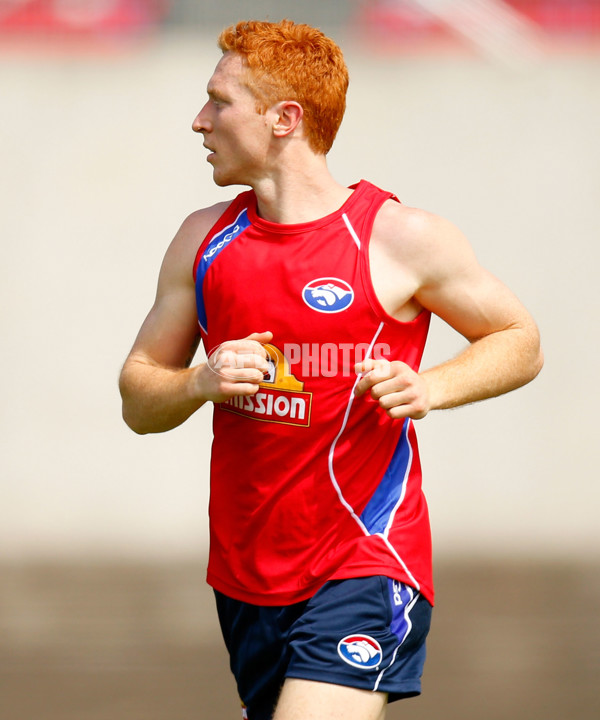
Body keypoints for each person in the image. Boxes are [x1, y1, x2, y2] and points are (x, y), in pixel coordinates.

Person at [119, 19, 543, 720]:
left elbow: (520, 338)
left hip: (367, 560)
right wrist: (199, 382)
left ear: (284, 119)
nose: (199, 121)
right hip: (247, 580)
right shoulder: (203, 240)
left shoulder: (399, 236)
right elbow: (138, 397)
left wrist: (431, 385)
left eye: (220, 102)